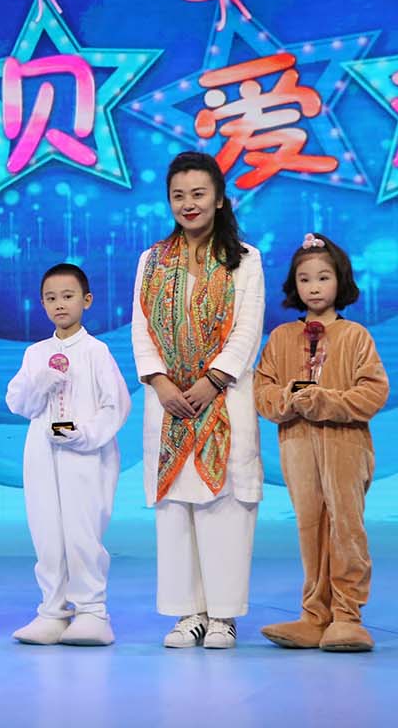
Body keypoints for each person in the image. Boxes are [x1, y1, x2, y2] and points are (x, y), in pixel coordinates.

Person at [132, 151, 265, 650]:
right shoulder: (152, 260)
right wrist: (160, 383)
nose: (188, 204)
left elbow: (247, 329)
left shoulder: (244, 259)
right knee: (176, 511)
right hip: (168, 404)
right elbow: (141, 328)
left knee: (223, 507)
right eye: (178, 195)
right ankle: (188, 613)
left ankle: (223, 616)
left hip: (222, 400)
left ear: (219, 199)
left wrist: (213, 380)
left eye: (198, 194)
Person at [254, 233, 388, 652]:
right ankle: (315, 614)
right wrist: (290, 398)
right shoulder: (281, 338)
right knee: (310, 526)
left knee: (345, 526)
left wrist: (324, 400)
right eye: (305, 279)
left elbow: (373, 393)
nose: (313, 287)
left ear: (340, 280)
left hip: (346, 447)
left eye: (323, 277)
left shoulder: (355, 336)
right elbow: (262, 392)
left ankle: (347, 615)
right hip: (297, 447)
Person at [6, 263, 130, 647]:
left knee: (82, 531)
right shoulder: (36, 354)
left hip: (85, 457)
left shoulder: (96, 352)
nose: (59, 304)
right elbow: (18, 402)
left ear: (86, 300)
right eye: (51, 298)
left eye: (68, 296)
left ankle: (92, 611)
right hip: (43, 454)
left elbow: (115, 405)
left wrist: (85, 434)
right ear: (42, 304)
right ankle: (53, 611)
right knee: (46, 532)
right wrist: (42, 381)